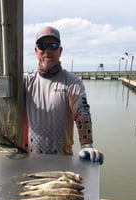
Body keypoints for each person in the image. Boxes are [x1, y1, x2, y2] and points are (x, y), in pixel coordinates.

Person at [23, 26, 104, 164]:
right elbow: (3, 89)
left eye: (53, 45)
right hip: (29, 162)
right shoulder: (25, 82)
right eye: (42, 45)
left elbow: (82, 113)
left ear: (60, 51)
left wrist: (86, 145)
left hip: (62, 162)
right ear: (36, 51)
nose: (47, 50)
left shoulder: (72, 82)